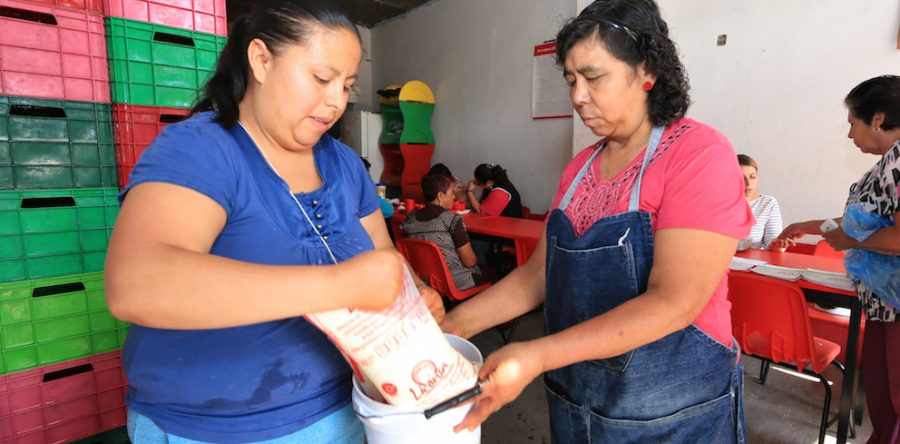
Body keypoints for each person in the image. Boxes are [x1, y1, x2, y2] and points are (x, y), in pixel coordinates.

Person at [103, 2, 443, 443]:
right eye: (322, 78)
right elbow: (137, 283)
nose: (337, 100)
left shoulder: (344, 165)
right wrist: (339, 284)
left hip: (354, 410)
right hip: (216, 429)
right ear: (261, 59)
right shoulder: (202, 150)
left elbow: (383, 256)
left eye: (347, 85)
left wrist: (416, 294)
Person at [441, 1, 753, 442]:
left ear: (646, 72)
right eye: (571, 80)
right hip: (579, 401)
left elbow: (675, 301)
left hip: (673, 415)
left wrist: (534, 355)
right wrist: (451, 328)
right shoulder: (579, 169)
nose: (577, 96)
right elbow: (537, 276)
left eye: (593, 77)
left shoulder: (698, 154)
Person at [776, 75, 900, 444]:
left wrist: (844, 237)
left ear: (877, 118)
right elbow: (858, 224)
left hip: (894, 306)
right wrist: (808, 225)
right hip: (882, 306)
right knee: (883, 401)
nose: (850, 135)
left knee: (894, 402)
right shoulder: (886, 164)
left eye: (852, 123)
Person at [401, 174, 484, 292]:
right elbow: (470, 262)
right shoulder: (451, 220)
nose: (454, 197)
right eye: (451, 193)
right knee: (489, 273)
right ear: (440, 196)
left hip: (421, 280)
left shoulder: (410, 219)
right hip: (451, 280)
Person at [738, 154, 786, 250]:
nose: (748, 184)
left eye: (752, 177)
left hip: (753, 261)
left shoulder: (768, 203)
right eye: (741, 178)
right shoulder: (718, 203)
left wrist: (777, 245)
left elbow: (773, 243)